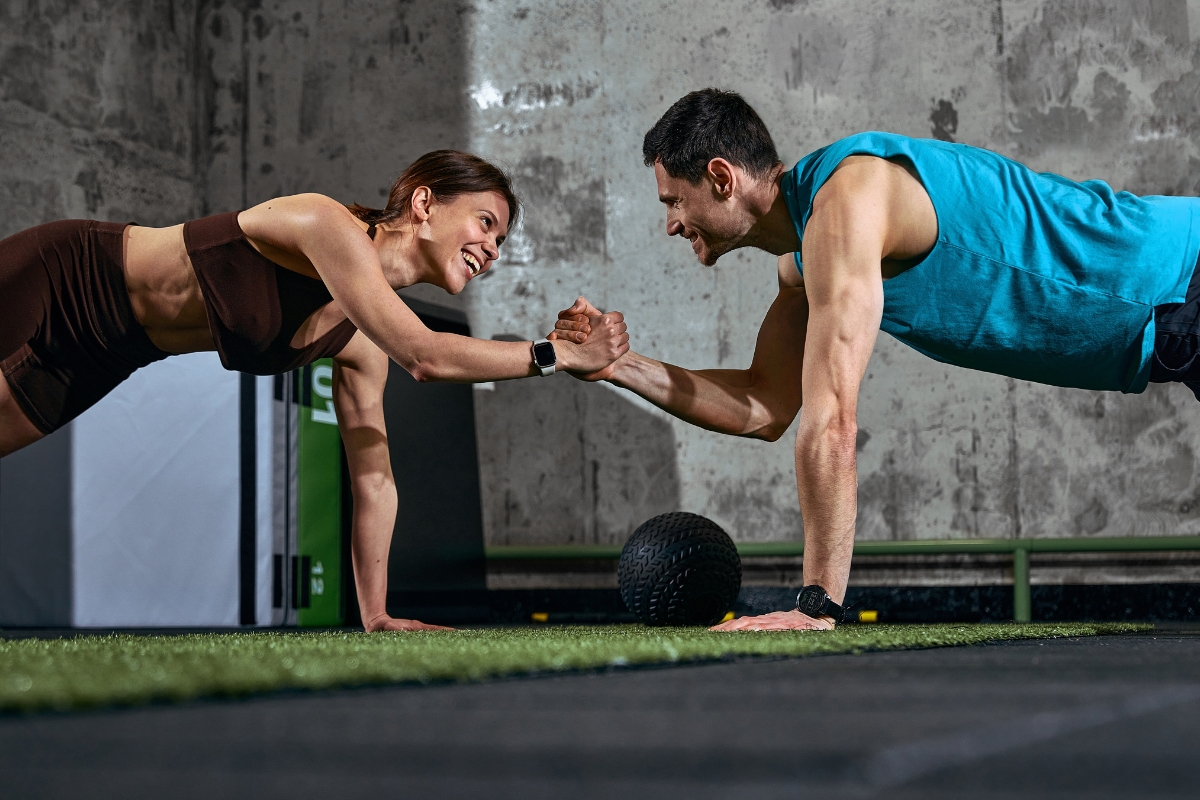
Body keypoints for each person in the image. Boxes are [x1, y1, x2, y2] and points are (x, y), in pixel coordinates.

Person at [552, 89, 1200, 631]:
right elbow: (762, 406)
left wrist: (815, 606)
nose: (670, 224)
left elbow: (832, 419)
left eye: (673, 201)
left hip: (1182, 275)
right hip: (1167, 331)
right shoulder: (804, 259)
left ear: (721, 178)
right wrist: (618, 366)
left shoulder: (848, 199)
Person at [0, 149, 629, 632]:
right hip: (65, 275)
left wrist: (376, 614)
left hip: (108, 351)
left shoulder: (361, 344)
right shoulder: (324, 223)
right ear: (424, 202)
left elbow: (374, 481)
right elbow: (426, 356)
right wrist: (557, 354)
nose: (491, 249)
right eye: (486, 223)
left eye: (500, 241)